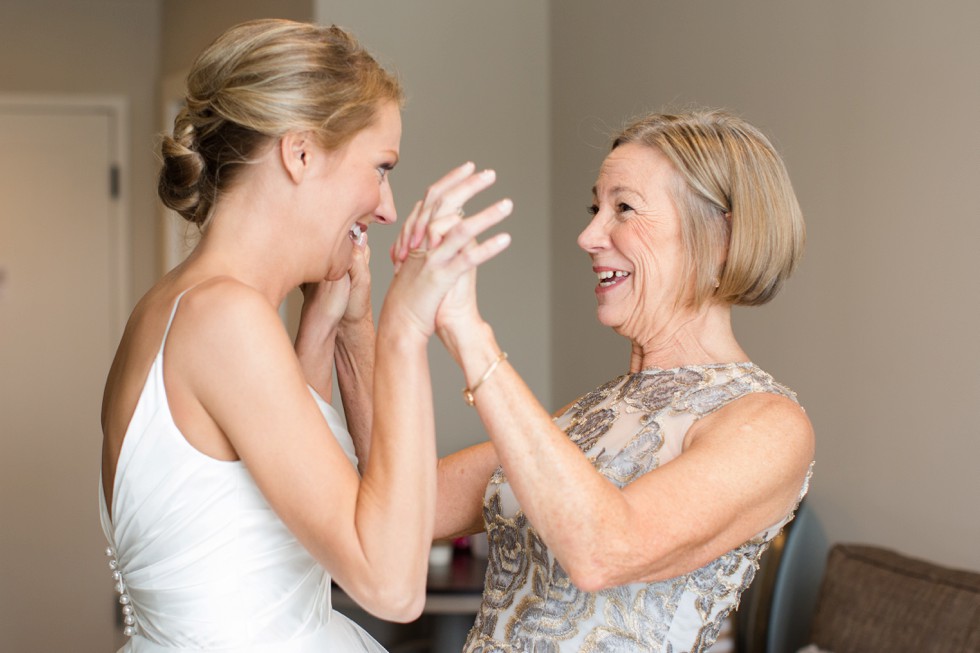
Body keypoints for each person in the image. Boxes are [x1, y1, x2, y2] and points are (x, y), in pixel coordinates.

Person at [98, 19, 512, 652]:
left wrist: (341, 325)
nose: (387, 207)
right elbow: (393, 587)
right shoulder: (224, 321)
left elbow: (290, 508)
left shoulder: (181, 306)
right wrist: (406, 328)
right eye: (380, 167)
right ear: (300, 154)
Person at [399, 109, 815, 652]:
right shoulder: (595, 410)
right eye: (596, 207)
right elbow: (408, 507)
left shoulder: (768, 424)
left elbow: (606, 552)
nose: (589, 235)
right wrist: (359, 316)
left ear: (721, 236)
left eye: (624, 208)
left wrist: (470, 335)